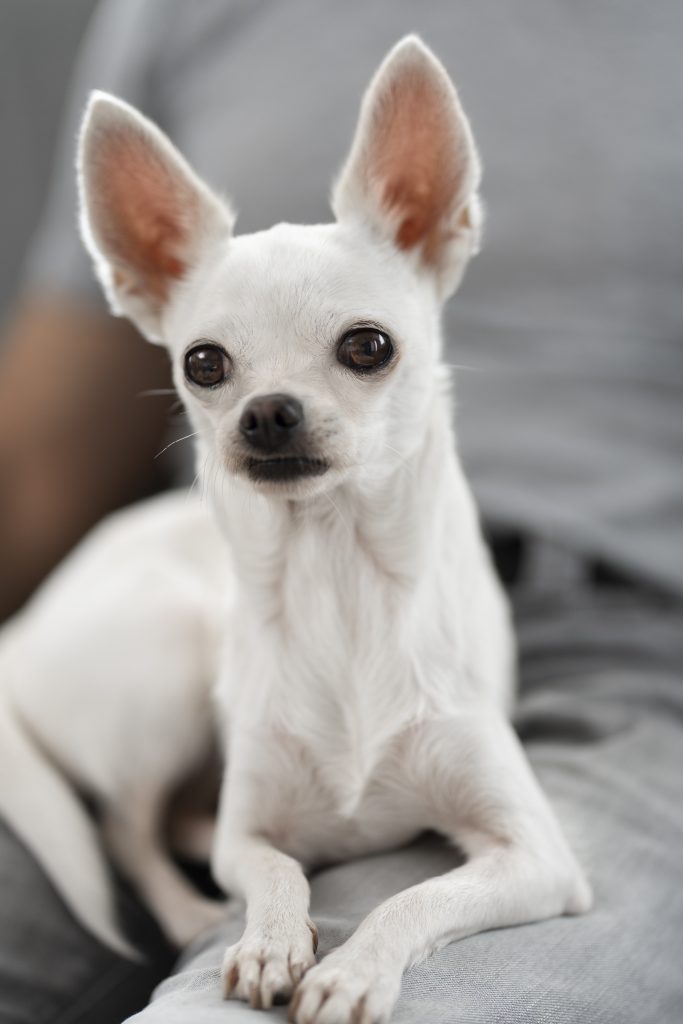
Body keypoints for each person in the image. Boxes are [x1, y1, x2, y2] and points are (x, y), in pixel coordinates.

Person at [1, 2, 682, 1022]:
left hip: (620, 639)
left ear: (439, 221)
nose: (269, 409)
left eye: (358, 350)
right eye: (212, 368)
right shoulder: (181, 15)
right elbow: (32, 472)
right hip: (236, 589)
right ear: (143, 284)